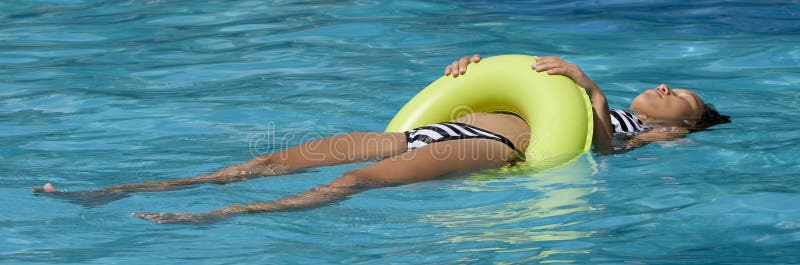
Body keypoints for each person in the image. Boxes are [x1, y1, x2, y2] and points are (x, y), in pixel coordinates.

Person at [32, 54, 730, 223]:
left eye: (685, 98)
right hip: (437, 122)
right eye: (671, 86)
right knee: (270, 157)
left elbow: (600, 154)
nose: (669, 90)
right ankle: (115, 191)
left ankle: (214, 218)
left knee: (355, 182)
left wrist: (597, 95)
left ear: (688, 120)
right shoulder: (565, 86)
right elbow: (479, 87)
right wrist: (462, 73)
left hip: (500, 148)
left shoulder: (658, 132)